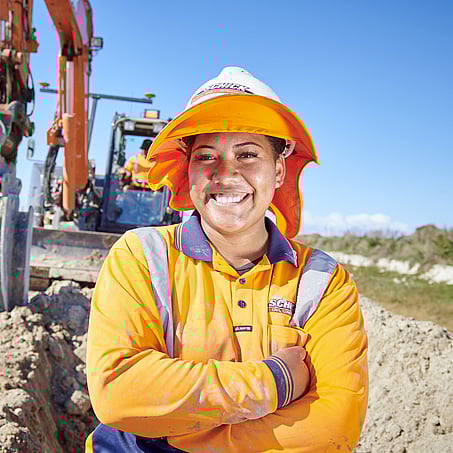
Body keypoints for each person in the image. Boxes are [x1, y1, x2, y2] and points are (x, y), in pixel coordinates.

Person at [85, 67, 368, 452]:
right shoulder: (141, 257)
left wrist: (179, 429)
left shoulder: (323, 281)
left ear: (279, 170)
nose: (226, 174)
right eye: (206, 156)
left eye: (248, 155)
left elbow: (333, 429)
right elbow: (118, 391)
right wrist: (276, 380)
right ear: (189, 172)